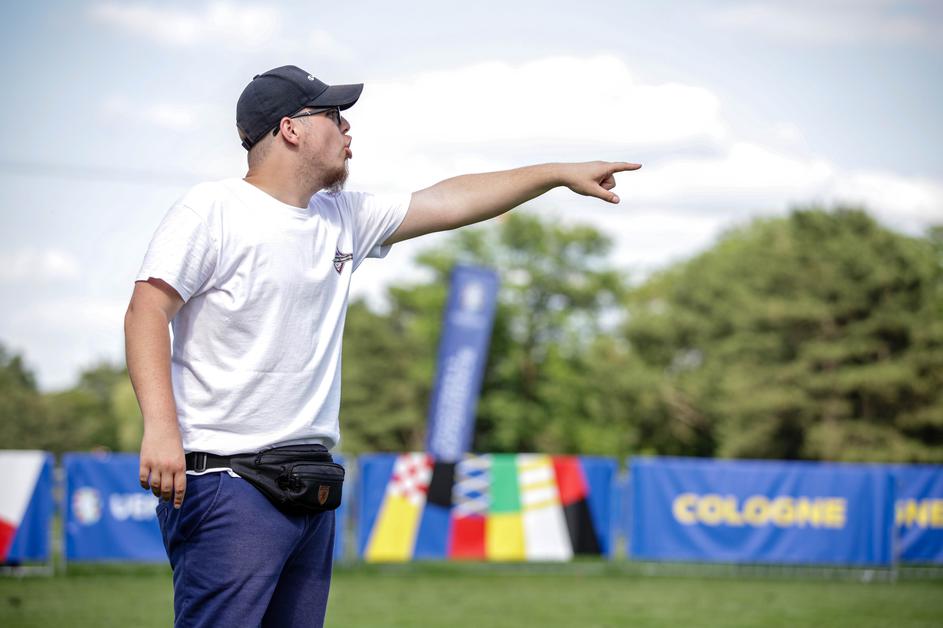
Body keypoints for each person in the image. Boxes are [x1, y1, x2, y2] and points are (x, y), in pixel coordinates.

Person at [124, 64, 641, 628]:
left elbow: (449, 201)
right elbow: (147, 311)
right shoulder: (212, 209)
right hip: (227, 484)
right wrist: (161, 429)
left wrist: (557, 174)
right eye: (334, 116)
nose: (348, 129)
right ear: (291, 128)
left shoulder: (342, 215)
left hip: (310, 481)